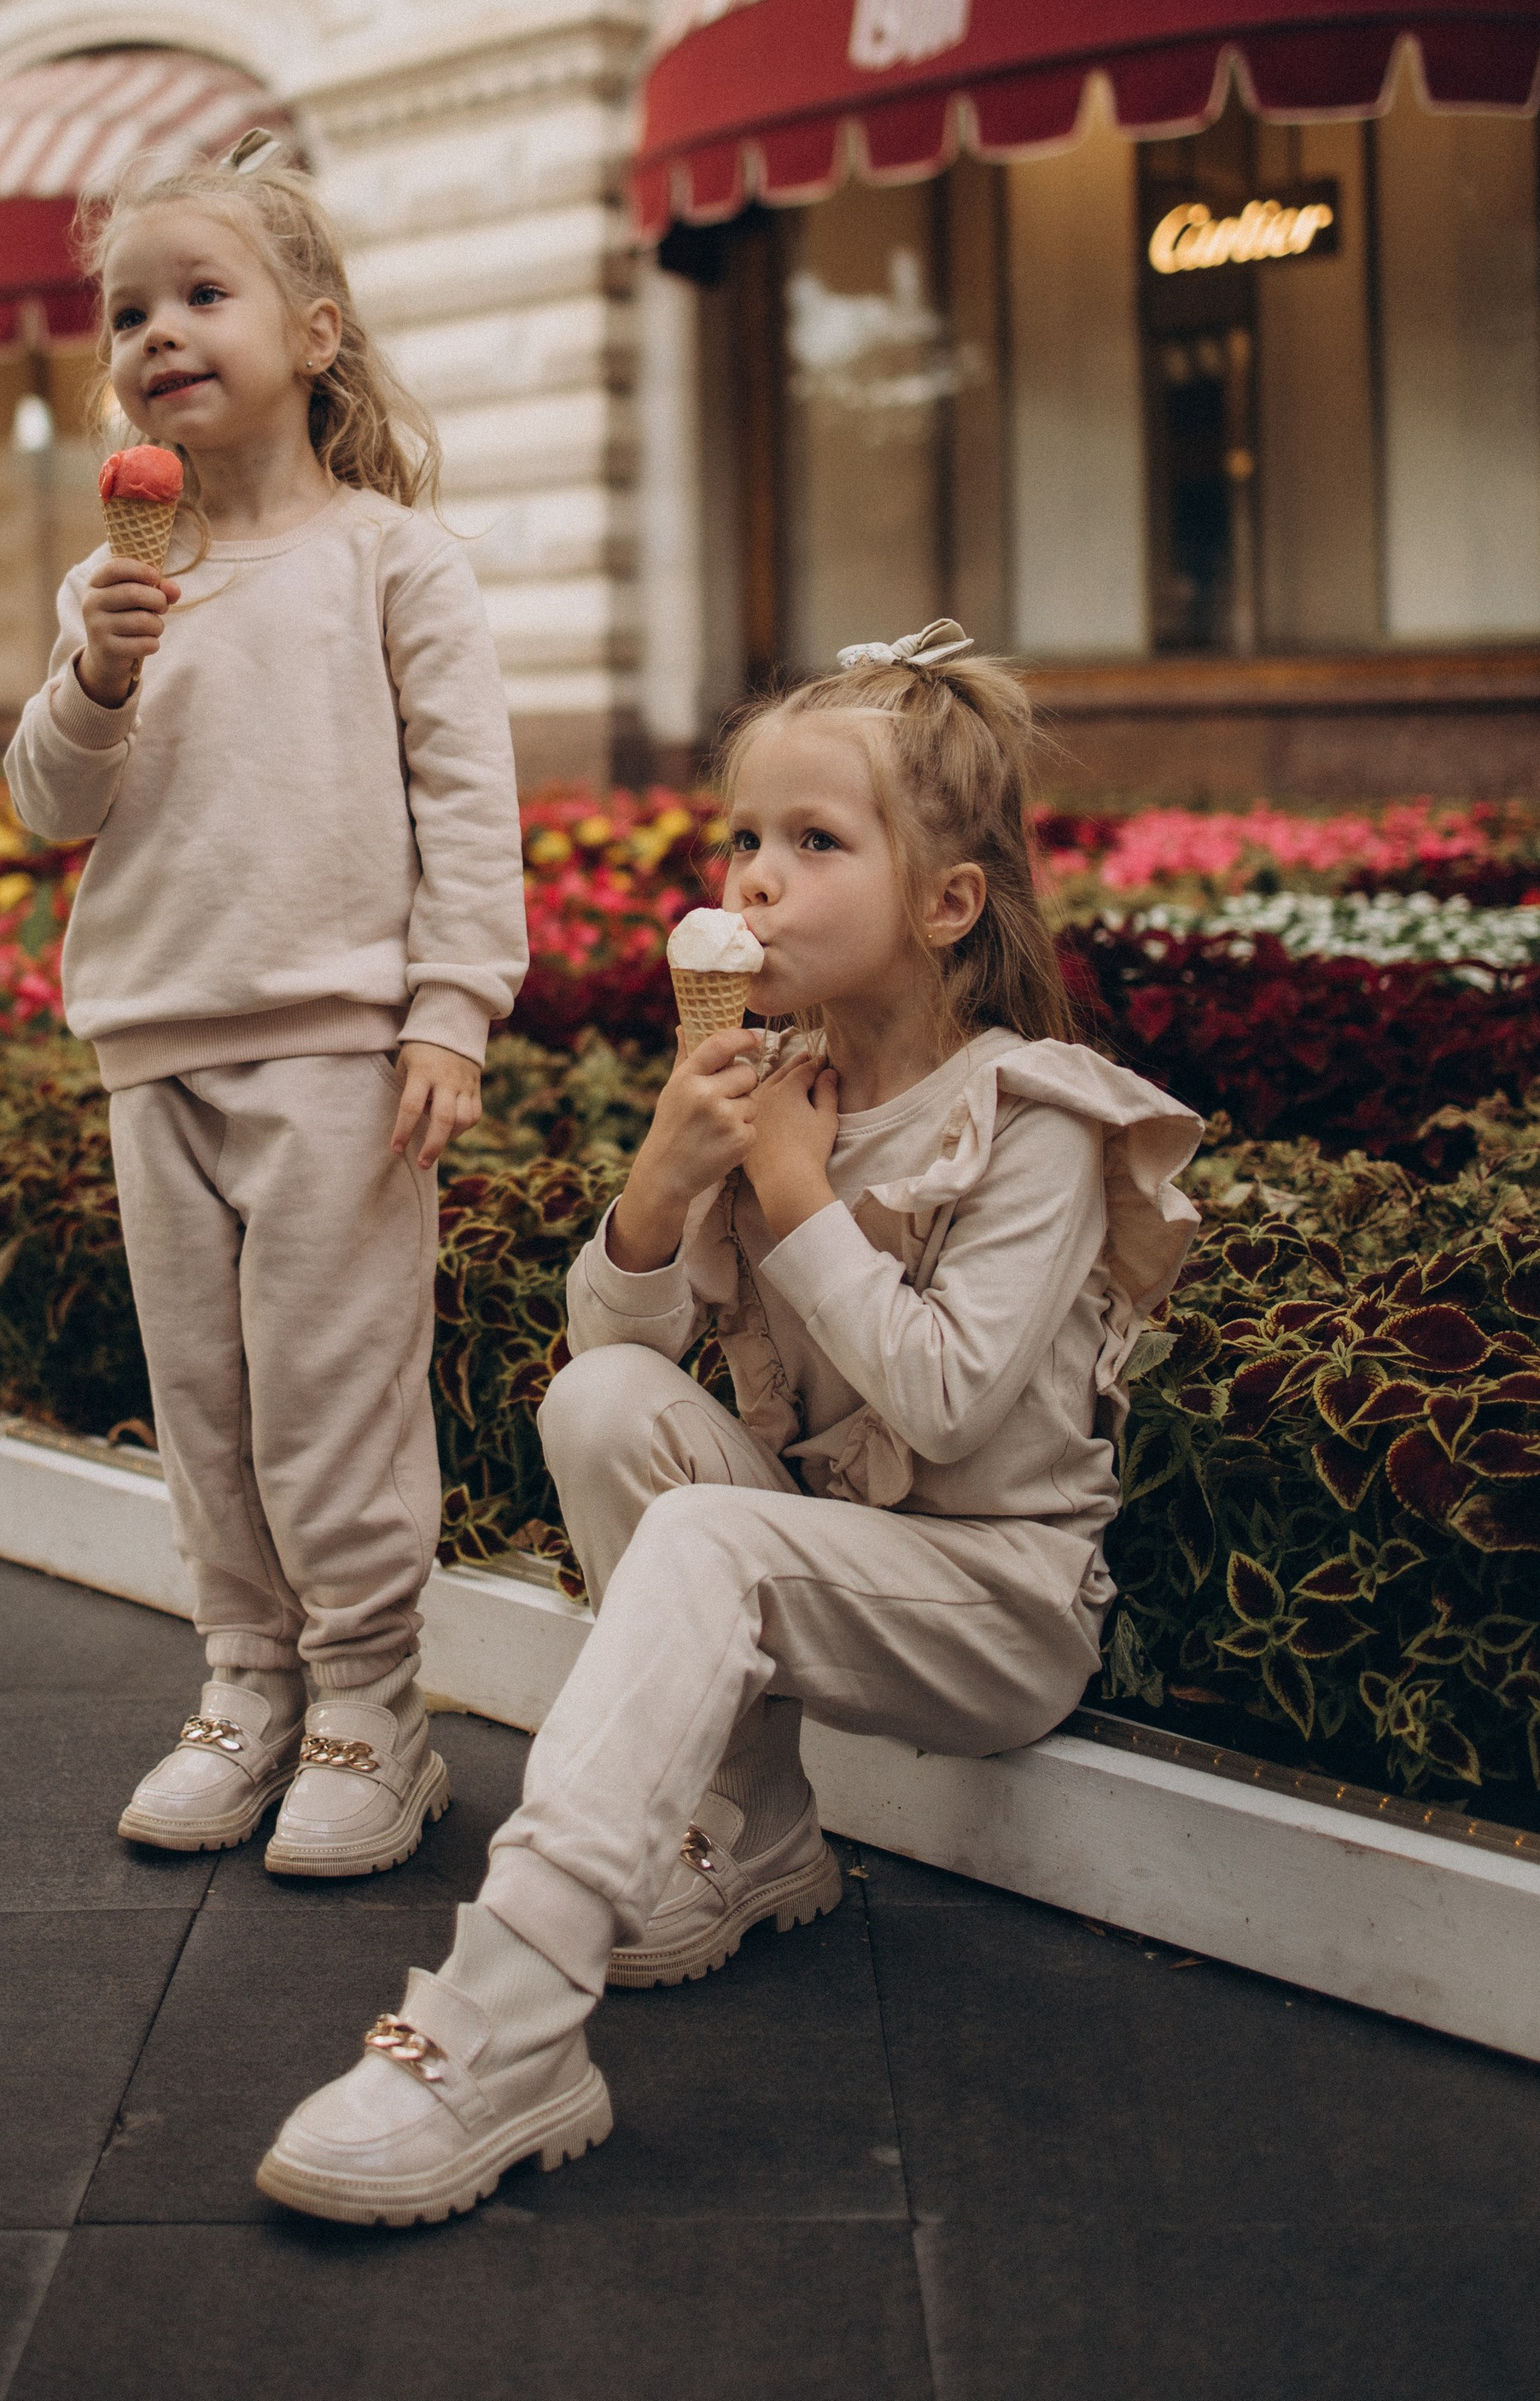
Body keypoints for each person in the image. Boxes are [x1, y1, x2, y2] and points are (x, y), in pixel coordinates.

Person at [256, 622, 1201, 2223]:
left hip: (997, 1603)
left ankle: (503, 2019)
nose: (755, 879)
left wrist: (789, 1185)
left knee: (710, 1534)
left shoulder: (1030, 1116)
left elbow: (952, 1401)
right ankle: (756, 1833)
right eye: (743, 839)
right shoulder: (773, 1081)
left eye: (814, 843)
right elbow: (614, 1349)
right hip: (829, 1548)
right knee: (608, 1402)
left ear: (947, 903)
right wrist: (663, 1185)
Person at [5, 141, 526, 1878]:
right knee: (208, 1399)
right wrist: (98, 671)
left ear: (313, 336)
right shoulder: (115, 589)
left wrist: (451, 1011)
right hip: (152, 1034)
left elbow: (467, 804)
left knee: (332, 1395)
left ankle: (374, 1710)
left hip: (334, 1053)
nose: (158, 331)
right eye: (127, 311)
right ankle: (244, 1684)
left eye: (199, 295)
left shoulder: (393, 565)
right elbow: (46, 807)